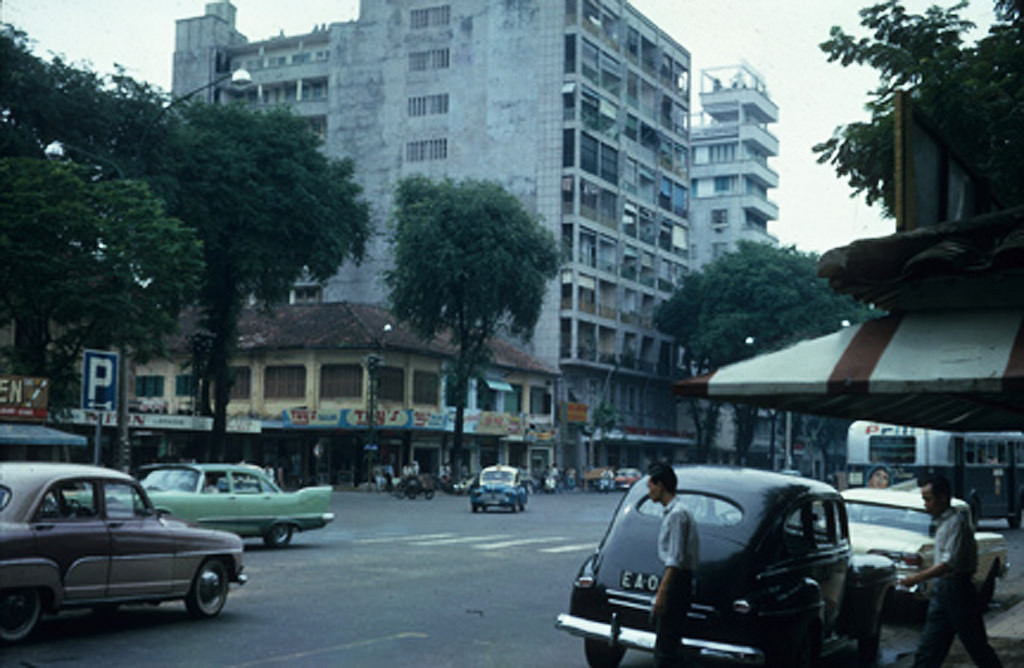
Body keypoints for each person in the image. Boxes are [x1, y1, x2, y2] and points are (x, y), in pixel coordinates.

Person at [902, 474, 1003, 668]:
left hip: (958, 590)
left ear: (943, 498)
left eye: (928, 499)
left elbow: (948, 564)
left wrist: (915, 578)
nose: (926, 505)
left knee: (976, 646)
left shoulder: (956, 524)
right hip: (944, 589)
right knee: (929, 648)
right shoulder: (945, 523)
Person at [647, 463, 699, 668]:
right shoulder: (676, 511)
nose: (649, 490)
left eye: (650, 484)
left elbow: (674, 560)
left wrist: (662, 593)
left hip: (677, 582)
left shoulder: (677, 514)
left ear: (660, 486)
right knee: (669, 639)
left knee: (666, 644)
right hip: (679, 581)